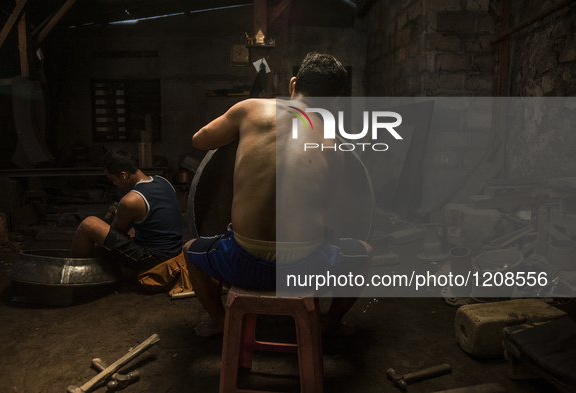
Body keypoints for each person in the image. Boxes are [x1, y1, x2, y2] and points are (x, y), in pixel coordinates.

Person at [184, 52, 371, 337]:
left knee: (190, 249)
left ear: (293, 84)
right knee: (364, 252)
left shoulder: (250, 109)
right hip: (306, 268)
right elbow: (327, 204)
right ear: (333, 101)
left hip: (242, 264)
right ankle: (331, 323)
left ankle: (219, 320)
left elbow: (200, 140)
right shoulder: (334, 139)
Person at [71, 149, 184, 275]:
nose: (115, 184)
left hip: (155, 259)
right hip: (174, 251)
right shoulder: (163, 181)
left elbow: (110, 240)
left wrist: (94, 247)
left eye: (114, 180)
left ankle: (79, 274)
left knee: (89, 225)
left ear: (124, 175)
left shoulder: (130, 200)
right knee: (132, 229)